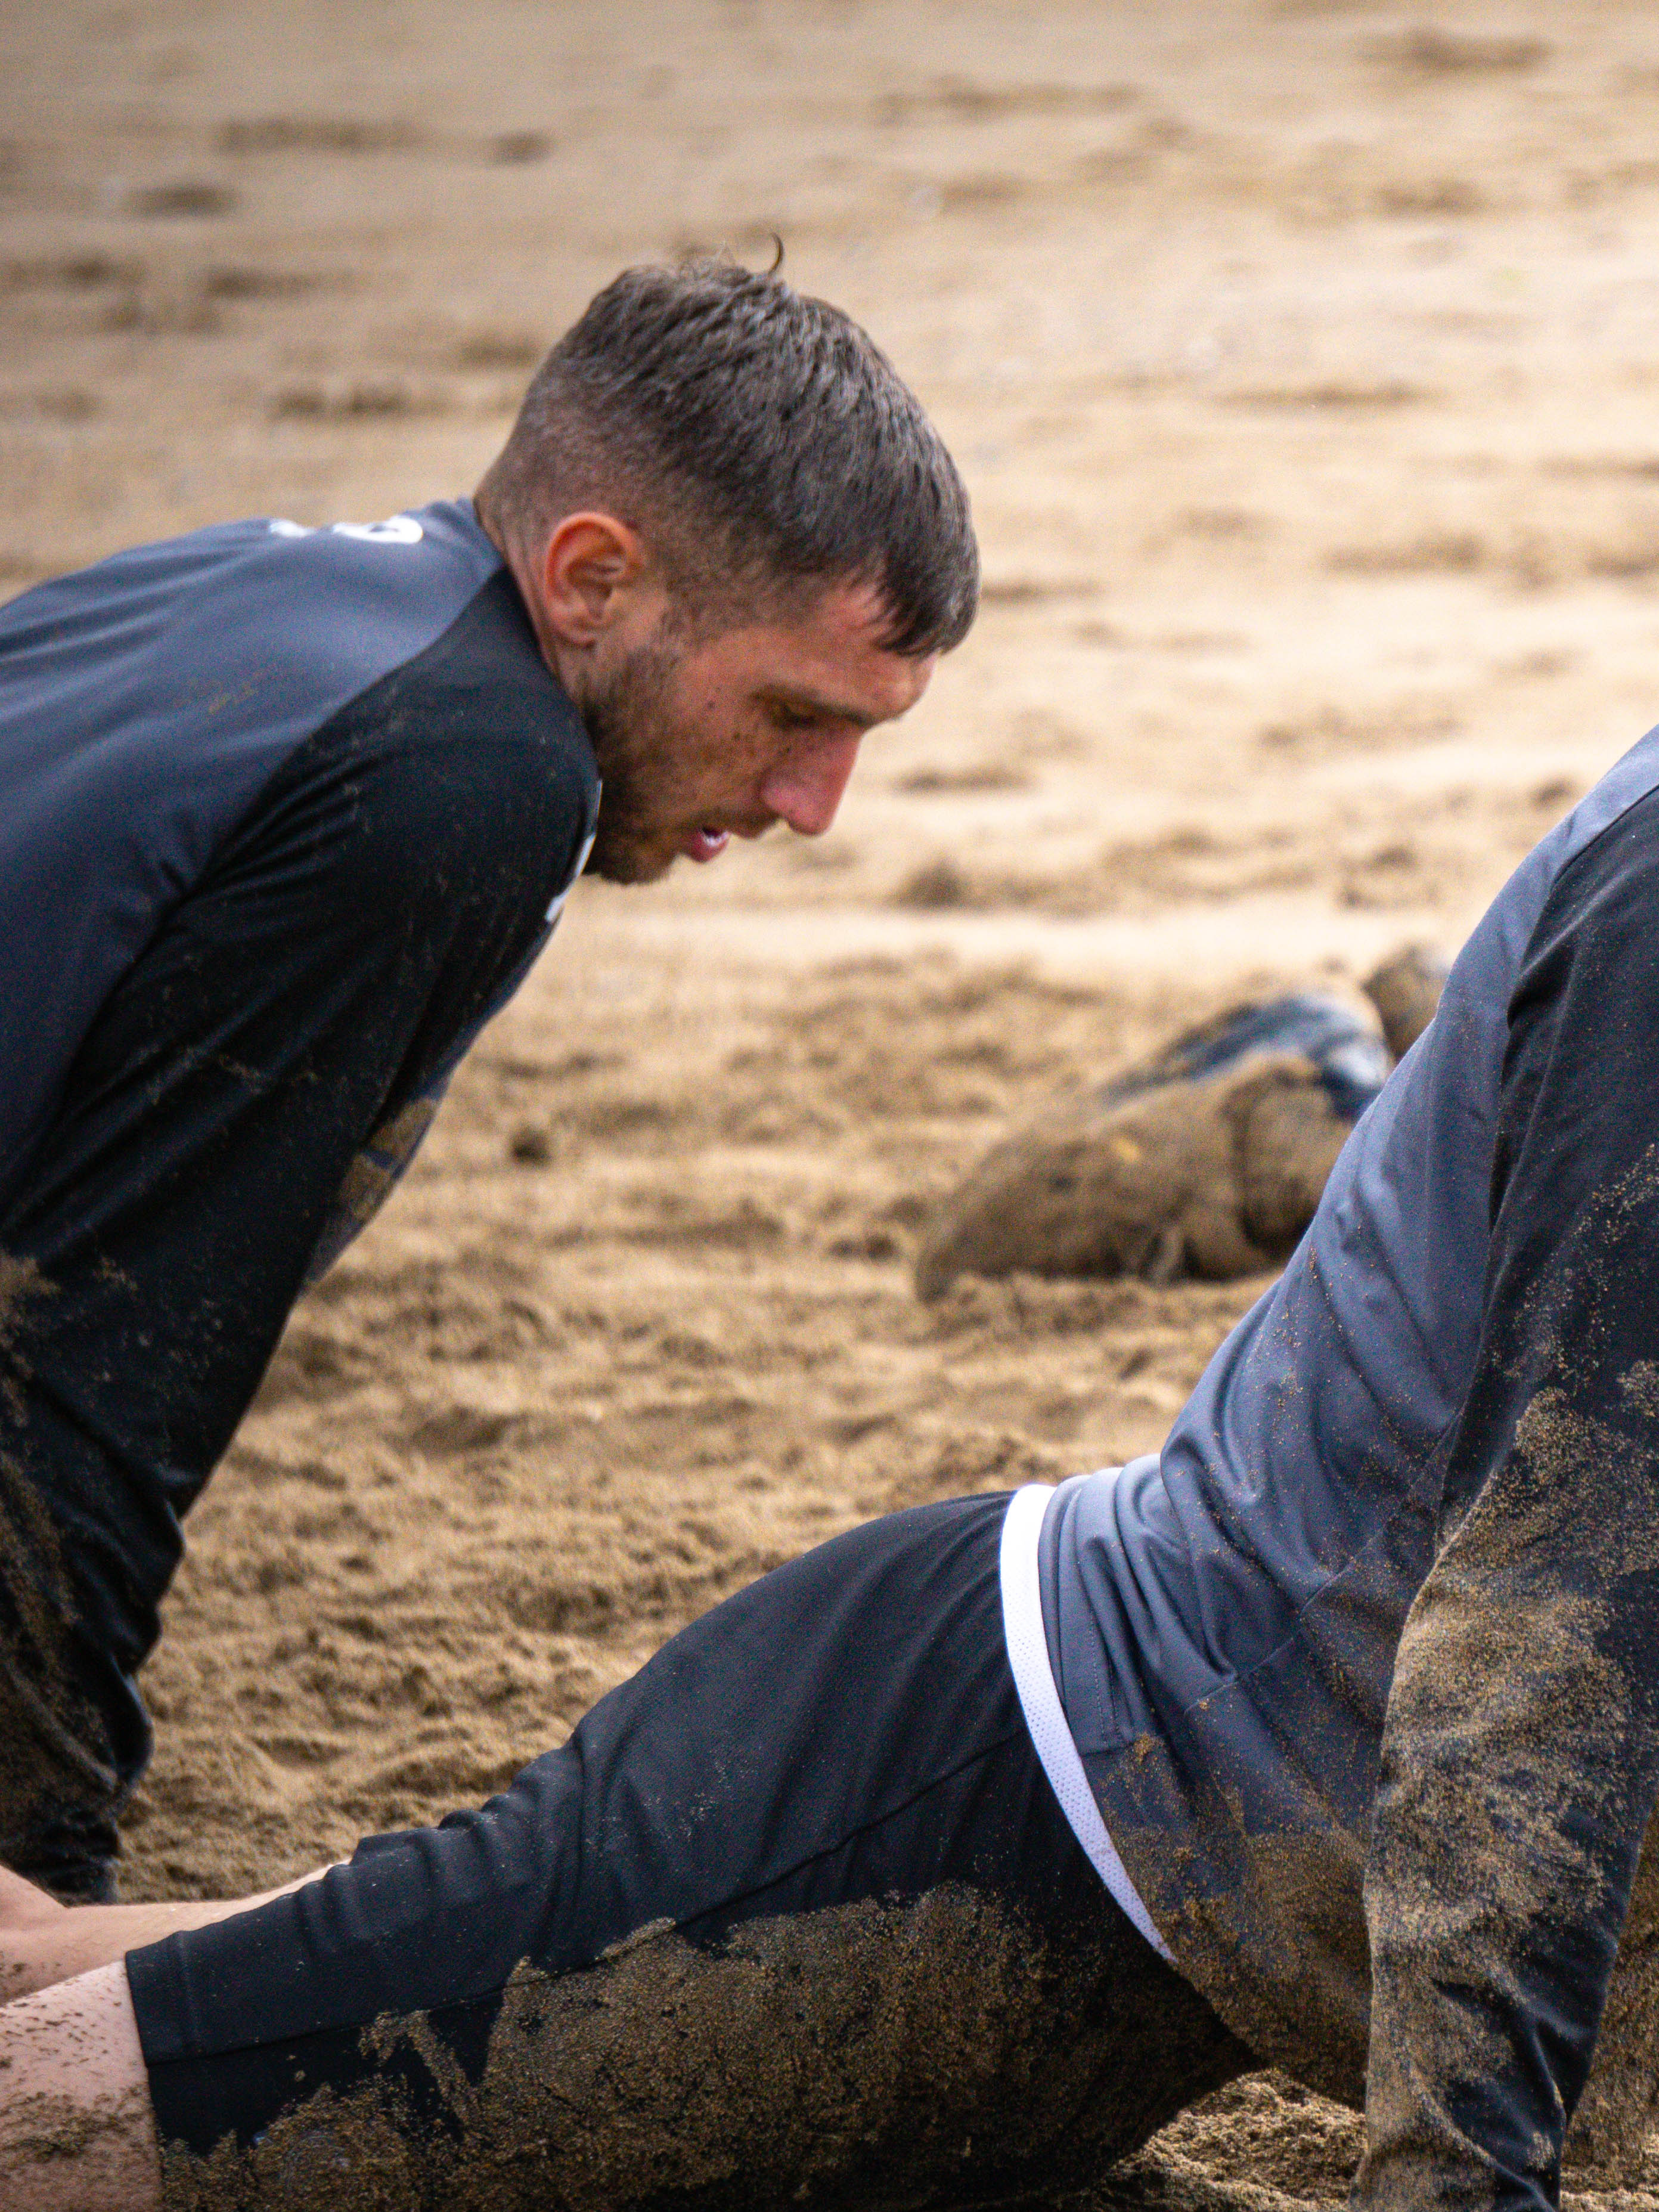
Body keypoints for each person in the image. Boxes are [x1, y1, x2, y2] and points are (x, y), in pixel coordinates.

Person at [0, 160, 1659, 2212]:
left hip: (1148, 1957)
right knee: (100, 2203)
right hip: (982, 1812)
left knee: (215, 1980)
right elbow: (1557, 1580)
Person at [0, 259, 972, 1898]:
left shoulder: (263, 590)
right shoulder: (472, 778)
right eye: (795, 713)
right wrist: (39, 1860)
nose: (817, 803)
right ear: (592, 577)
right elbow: (73, 1369)